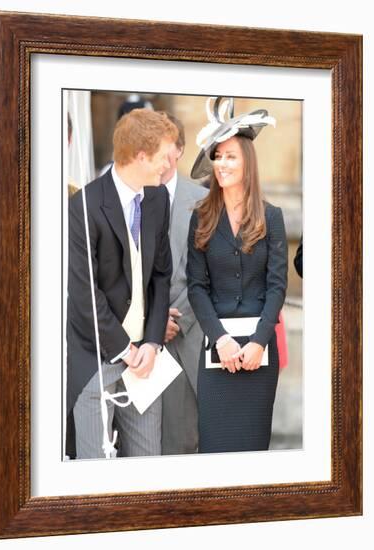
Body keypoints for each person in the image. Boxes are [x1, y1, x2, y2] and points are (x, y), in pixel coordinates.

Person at [66, 108, 178, 459]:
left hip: (145, 360)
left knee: (147, 464)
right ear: (141, 156)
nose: (170, 163)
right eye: (164, 155)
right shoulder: (84, 204)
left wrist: (153, 342)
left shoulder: (158, 198)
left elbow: (161, 276)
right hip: (95, 358)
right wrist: (125, 350)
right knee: (94, 469)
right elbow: (84, 293)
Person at [187, 97, 288, 453]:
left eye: (231, 155)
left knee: (253, 452)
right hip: (218, 351)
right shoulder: (200, 217)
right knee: (214, 449)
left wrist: (259, 340)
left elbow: (277, 286)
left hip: (259, 353)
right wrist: (222, 340)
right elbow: (196, 288)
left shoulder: (272, 216)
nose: (223, 163)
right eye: (218, 156)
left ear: (247, 161)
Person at [159, 113, 208, 455]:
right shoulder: (123, 195)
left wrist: (176, 319)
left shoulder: (203, 201)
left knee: (185, 440)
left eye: (165, 144)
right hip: (139, 340)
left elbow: (208, 273)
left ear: (179, 149)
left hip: (189, 335)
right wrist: (152, 319)